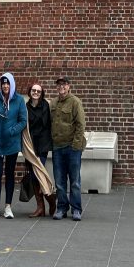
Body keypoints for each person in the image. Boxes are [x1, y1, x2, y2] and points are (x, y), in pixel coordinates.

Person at [0, 71, 27, 219]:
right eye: (3, 83)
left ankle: (8, 207)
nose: (5, 85)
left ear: (12, 84)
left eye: (8, 83)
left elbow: (23, 120)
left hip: (11, 143)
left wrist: (12, 131)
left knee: (9, 173)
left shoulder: (19, 100)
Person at [50, 75, 86, 221]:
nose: (61, 87)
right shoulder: (53, 103)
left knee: (75, 181)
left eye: (64, 84)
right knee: (59, 181)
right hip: (57, 147)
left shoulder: (75, 102)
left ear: (69, 86)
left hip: (72, 147)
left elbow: (80, 125)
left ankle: (76, 209)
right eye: (59, 85)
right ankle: (61, 208)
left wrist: (76, 145)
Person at [24, 82, 56, 217]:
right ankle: (40, 206)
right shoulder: (25, 108)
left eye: (38, 91)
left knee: (39, 174)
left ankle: (51, 200)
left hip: (42, 145)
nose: (36, 93)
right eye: (33, 90)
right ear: (30, 92)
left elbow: (48, 126)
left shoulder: (46, 106)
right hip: (30, 146)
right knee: (33, 176)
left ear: (42, 93)